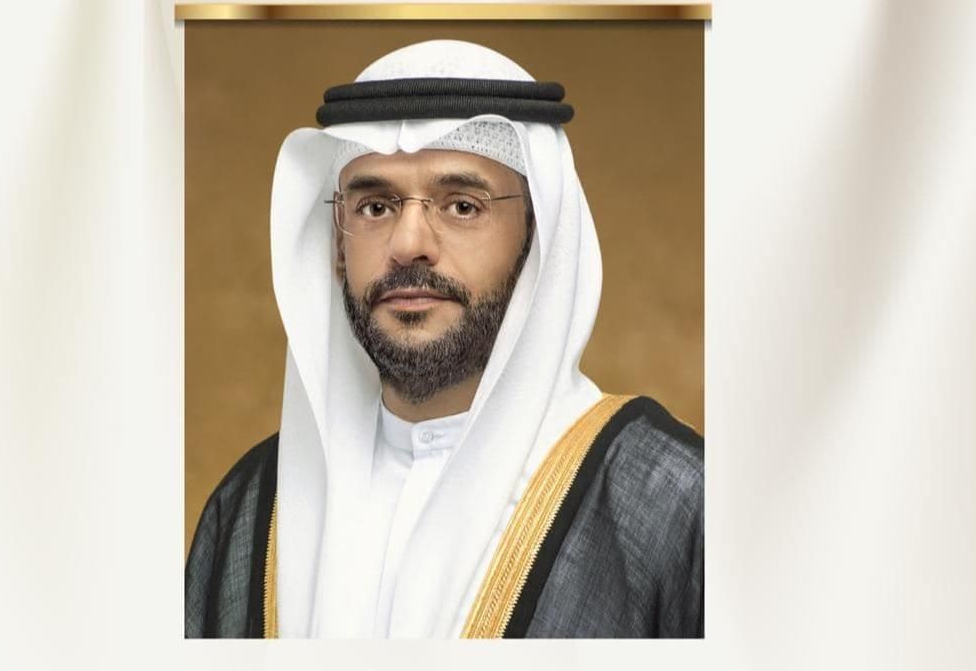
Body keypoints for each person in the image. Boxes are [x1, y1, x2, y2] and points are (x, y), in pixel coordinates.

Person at [185, 39, 703, 639]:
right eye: (375, 207)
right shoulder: (252, 506)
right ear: (336, 243)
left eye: (461, 206)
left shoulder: (667, 503)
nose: (408, 244)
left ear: (538, 239)